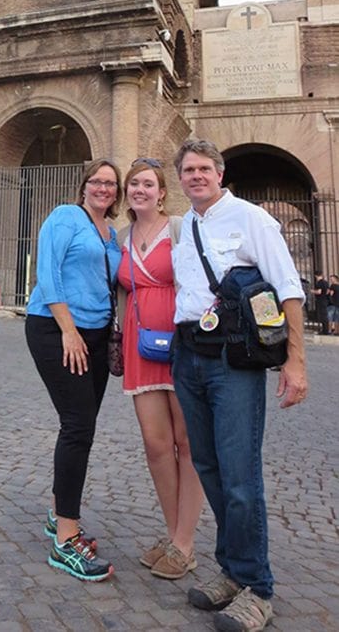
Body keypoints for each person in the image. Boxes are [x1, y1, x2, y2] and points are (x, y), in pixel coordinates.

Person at [171, 137, 307, 632]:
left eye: (204, 168)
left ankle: (258, 588)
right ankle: (231, 570)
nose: (197, 176)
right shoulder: (187, 223)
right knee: (207, 465)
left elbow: (288, 288)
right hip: (188, 354)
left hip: (233, 359)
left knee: (240, 474)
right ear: (181, 177)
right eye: (188, 170)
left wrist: (296, 362)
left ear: (220, 174)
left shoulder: (251, 219)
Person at [25, 159, 122, 582]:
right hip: (57, 328)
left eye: (110, 183)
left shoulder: (113, 234)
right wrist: (67, 330)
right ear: (84, 186)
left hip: (97, 336)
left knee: (83, 425)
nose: (103, 188)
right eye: (97, 181)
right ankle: (66, 539)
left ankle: (57, 512)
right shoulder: (66, 216)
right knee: (78, 425)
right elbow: (47, 274)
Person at [117, 158, 204, 579]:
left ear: (162, 191)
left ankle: (184, 542)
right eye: (134, 183)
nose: (140, 190)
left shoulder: (181, 227)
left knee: (187, 442)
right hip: (140, 345)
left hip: (182, 342)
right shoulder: (121, 236)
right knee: (156, 444)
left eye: (148, 183)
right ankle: (175, 538)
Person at [312, 270, 329, 335]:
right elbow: (327, 291)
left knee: (322, 316)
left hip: (320, 300)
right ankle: (326, 330)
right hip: (325, 300)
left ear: (315, 275)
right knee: (325, 315)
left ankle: (324, 331)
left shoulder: (319, 283)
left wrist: (312, 291)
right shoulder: (326, 282)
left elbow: (319, 292)